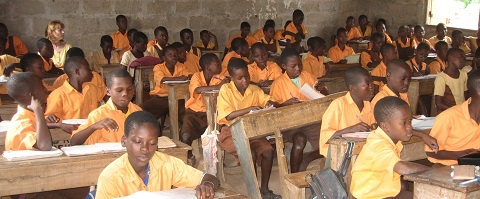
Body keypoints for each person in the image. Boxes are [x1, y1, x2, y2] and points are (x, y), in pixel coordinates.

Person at [95, 111, 220, 199]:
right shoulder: (110, 178)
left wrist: (207, 185)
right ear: (124, 141)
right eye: (138, 142)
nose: (145, 149)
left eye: (152, 143)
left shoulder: (166, 163)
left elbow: (209, 178)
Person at [217, 58, 280, 198]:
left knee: (269, 152)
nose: (244, 80)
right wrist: (249, 109)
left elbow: (267, 100)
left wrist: (269, 103)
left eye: (246, 76)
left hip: (252, 131)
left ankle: (264, 189)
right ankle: (254, 191)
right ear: (231, 78)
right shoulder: (226, 90)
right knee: (249, 153)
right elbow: (227, 115)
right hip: (230, 132)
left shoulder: (254, 89)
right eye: (239, 78)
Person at [350, 97, 431, 199]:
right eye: (404, 123)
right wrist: (433, 172)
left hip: (384, 193)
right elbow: (403, 168)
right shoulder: (378, 145)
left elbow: (407, 130)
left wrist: (423, 135)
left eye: (410, 121)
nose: (409, 126)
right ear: (385, 126)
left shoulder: (385, 135)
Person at [270, 48, 326, 173]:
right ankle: (294, 175)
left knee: (329, 134)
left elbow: (323, 97)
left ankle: (309, 158)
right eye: (293, 66)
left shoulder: (307, 76)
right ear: (284, 66)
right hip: (290, 123)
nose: (298, 69)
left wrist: (321, 89)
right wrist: (285, 104)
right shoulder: (278, 84)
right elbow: (273, 110)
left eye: (299, 64)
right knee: (300, 139)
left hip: (311, 120)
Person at [70, 68, 142, 145]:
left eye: (129, 89)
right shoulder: (98, 115)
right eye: (119, 90)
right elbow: (74, 142)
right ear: (108, 91)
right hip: (109, 156)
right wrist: (94, 127)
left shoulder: (138, 111)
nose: (125, 93)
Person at [180, 53, 229, 165]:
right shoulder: (196, 76)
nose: (220, 66)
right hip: (194, 113)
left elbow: (225, 86)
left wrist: (220, 85)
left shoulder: (221, 77)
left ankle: (216, 158)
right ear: (208, 67)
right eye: (217, 64)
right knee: (185, 133)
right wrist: (217, 87)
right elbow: (197, 90)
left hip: (214, 113)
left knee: (220, 131)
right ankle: (189, 156)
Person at [426, 69, 480, 166]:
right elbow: (430, 151)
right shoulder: (448, 117)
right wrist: (461, 155)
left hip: (475, 166)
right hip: (446, 168)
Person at [320, 66, 375, 156]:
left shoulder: (370, 106)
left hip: (362, 153)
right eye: (367, 85)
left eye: (371, 83)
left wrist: (374, 128)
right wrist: (351, 129)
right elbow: (325, 137)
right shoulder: (338, 105)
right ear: (353, 88)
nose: (372, 87)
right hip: (339, 156)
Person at [140, 46, 189, 135]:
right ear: (163, 58)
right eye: (170, 55)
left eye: (175, 55)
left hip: (178, 99)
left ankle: (183, 135)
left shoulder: (181, 66)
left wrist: (181, 78)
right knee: (141, 109)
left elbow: (187, 77)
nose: (173, 57)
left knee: (187, 117)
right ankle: (154, 130)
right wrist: (179, 79)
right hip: (160, 98)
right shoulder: (158, 67)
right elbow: (162, 79)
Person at [44, 57, 101, 122]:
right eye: (88, 68)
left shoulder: (92, 88)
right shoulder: (58, 95)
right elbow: (48, 120)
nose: (91, 72)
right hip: (69, 131)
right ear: (77, 72)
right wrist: (50, 119)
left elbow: (106, 97)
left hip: (92, 129)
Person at [4, 72, 51, 151]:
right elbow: (44, 146)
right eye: (42, 87)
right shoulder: (22, 123)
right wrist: (38, 111)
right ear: (32, 95)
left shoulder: (30, 115)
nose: (45, 89)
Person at [434, 48, 468, 113]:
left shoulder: (464, 74)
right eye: (460, 57)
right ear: (450, 58)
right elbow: (439, 104)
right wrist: (456, 111)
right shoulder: (441, 78)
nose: (463, 60)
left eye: (464, 58)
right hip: (448, 113)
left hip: (461, 112)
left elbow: (465, 96)